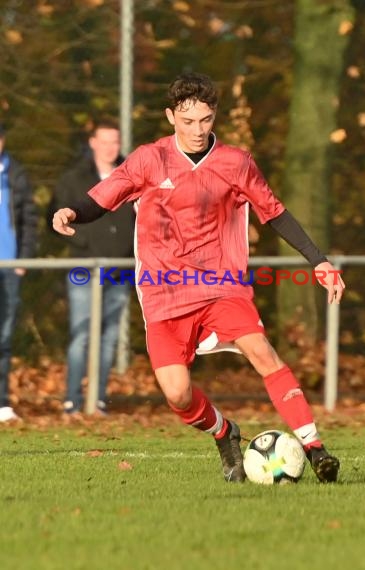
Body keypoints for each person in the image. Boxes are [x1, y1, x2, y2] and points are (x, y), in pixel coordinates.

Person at [52, 73, 345, 482]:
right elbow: (104, 196)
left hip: (220, 284)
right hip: (163, 292)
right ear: (170, 116)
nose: (197, 130)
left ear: (214, 117)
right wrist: (73, 213)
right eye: (188, 121)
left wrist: (318, 260)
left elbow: (274, 212)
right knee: (177, 394)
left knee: (261, 351)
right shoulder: (149, 159)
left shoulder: (235, 162)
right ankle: (225, 434)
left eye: (206, 120)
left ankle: (315, 449)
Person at [51, 119, 135, 415]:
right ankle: (72, 400)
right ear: (92, 142)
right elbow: (58, 218)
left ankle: (98, 399)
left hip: (121, 269)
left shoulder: (133, 176)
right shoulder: (74, 178)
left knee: (109, 335)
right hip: (84, 269)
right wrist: (89, 247)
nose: (111, 147)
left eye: (115, 141)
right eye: (105, 140)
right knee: (82, 334)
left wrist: (126, 251)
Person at [0, 123, 37, 422]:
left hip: (10, 268)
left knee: (4, 336)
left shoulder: (16, 174)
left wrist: (24, 259)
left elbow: (29, 218)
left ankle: (1, 402)